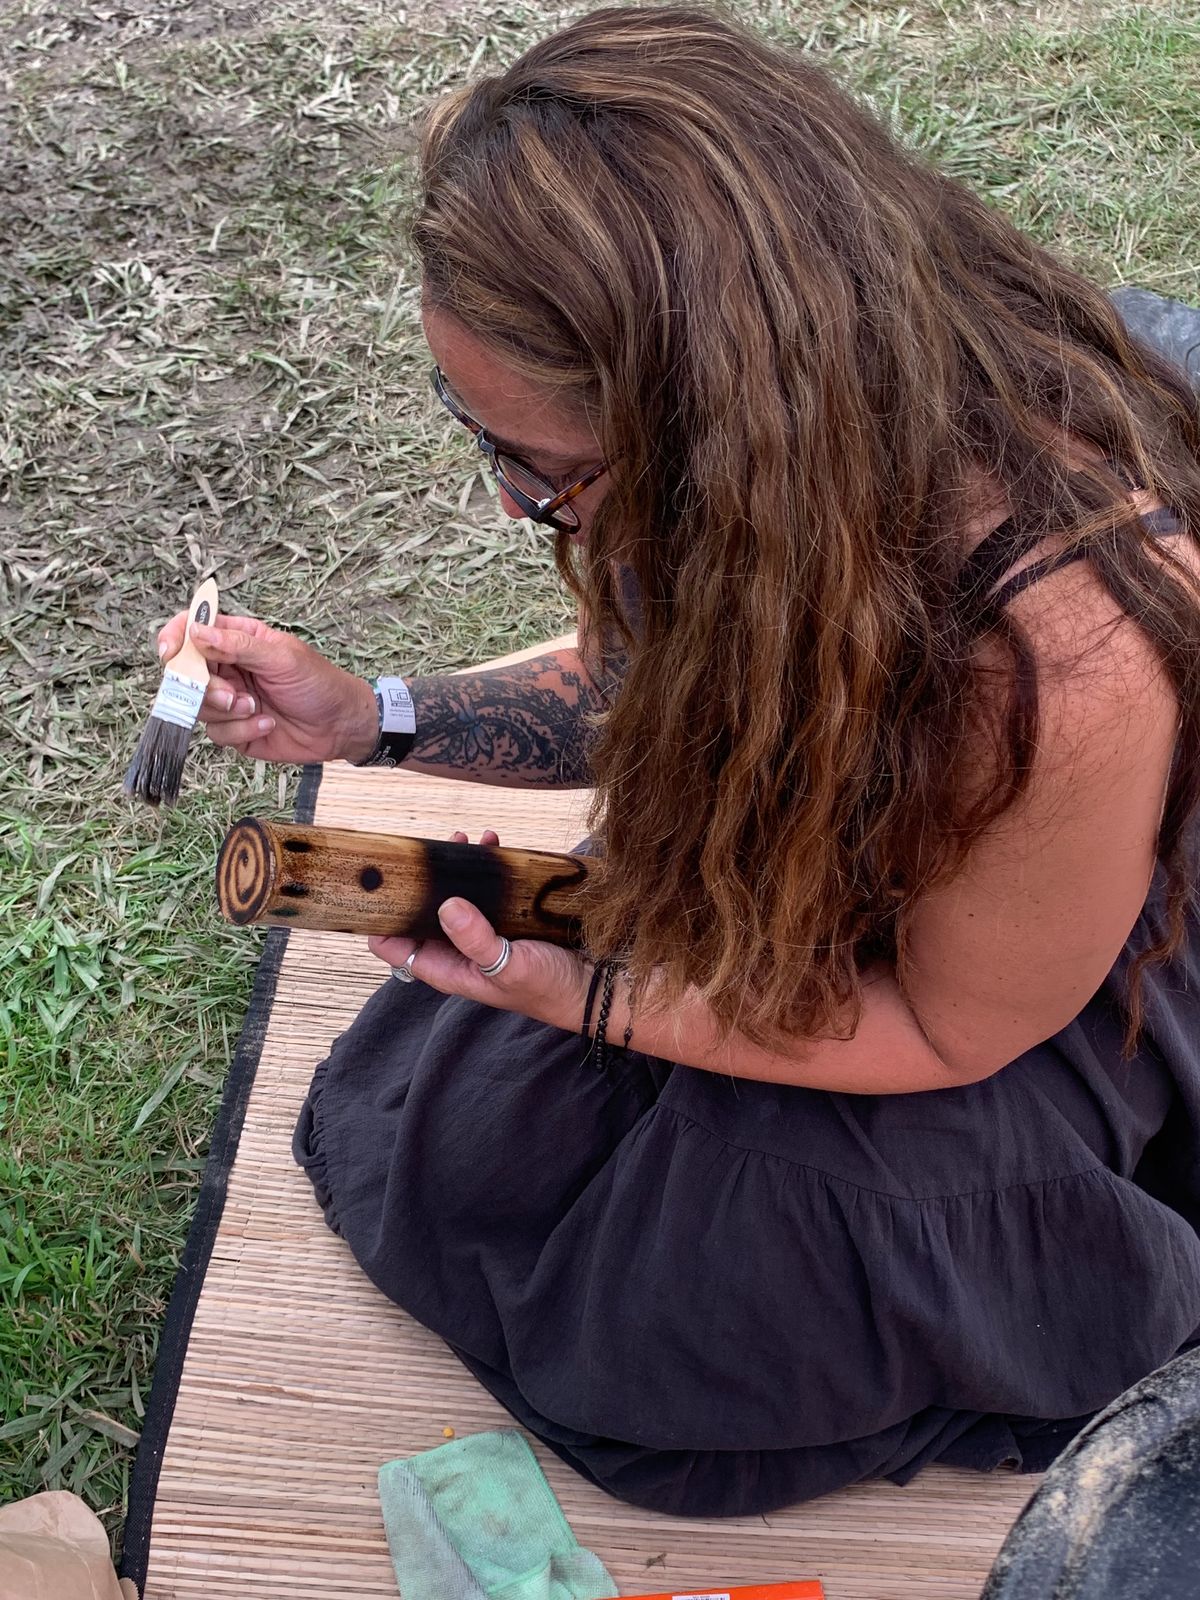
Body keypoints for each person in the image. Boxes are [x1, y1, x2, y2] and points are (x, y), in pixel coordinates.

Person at [157, 5, 1200, 1518]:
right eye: (481, 436)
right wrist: (368, 718)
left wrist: (588, 994)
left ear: (718, 430)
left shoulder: (1065, 658)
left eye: (547, 472)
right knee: (490, 1152)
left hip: (1045, 965)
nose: (515, 507)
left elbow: (949, 1028)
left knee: (694, 1314)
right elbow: (674, 677)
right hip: (918, 869)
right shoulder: (790, 459)